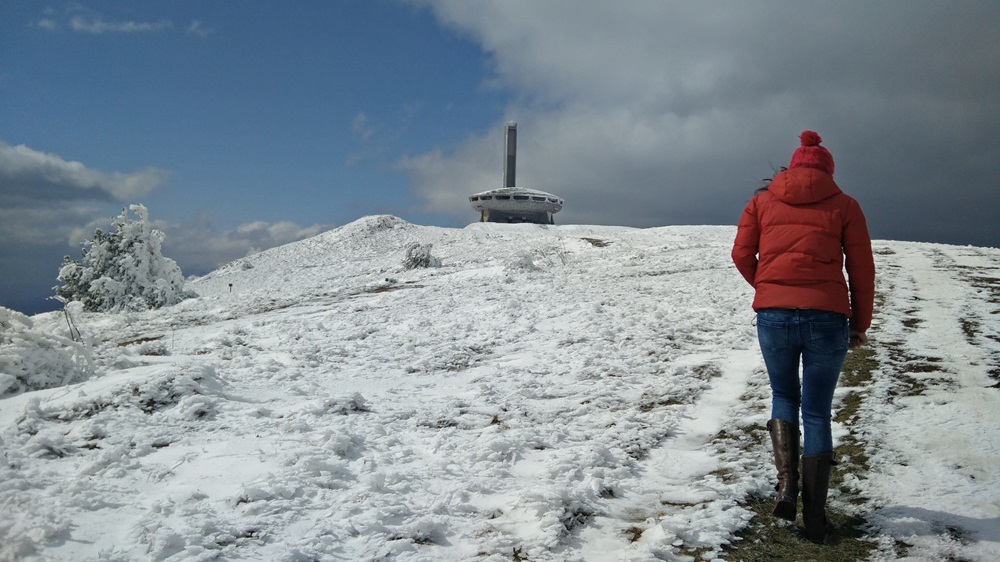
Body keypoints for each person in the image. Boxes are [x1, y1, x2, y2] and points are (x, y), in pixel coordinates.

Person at [731, 130, 875, 543]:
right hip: (827, 318)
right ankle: (815, 516)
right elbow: (861, 269)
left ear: (792, 168)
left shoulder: (761, 201)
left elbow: (741, 253)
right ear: (828, 171)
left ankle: (786, 487)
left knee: (783, 396)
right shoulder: (846, 206)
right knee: (816, 411)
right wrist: (859, 323)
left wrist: (768, 288)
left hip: (774, 315)